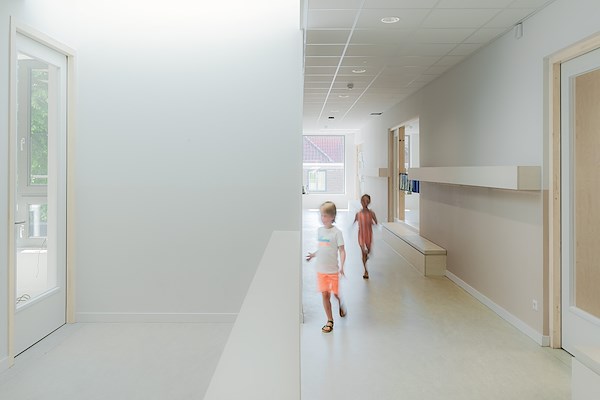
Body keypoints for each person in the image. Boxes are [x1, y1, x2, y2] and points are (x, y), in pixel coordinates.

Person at [306, 201, 346, 333]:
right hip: (321, 271)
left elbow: (342, 250)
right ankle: (330, 320)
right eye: (321, 215)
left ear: (332, 217)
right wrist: (313, 255)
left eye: (325, 215)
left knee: (335, 294)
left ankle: (340, 303)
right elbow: (323, 248)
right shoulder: (320, 231)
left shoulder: (337, 233)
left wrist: (342, 266)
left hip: (333, 270)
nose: (322, 218)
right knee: (325, 295)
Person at [354, 194, 378, 279]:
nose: (365, 203)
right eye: (363, 201)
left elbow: (376, 222)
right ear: (361, 202)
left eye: (367, 201)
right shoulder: (358, 214)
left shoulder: (371, 213)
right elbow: (354, 222)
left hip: (368, 235)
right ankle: (365, 271)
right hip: (361, 235)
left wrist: (372, 223)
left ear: (369, 202)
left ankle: (366, 255)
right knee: (363, 252)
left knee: (368, 251)